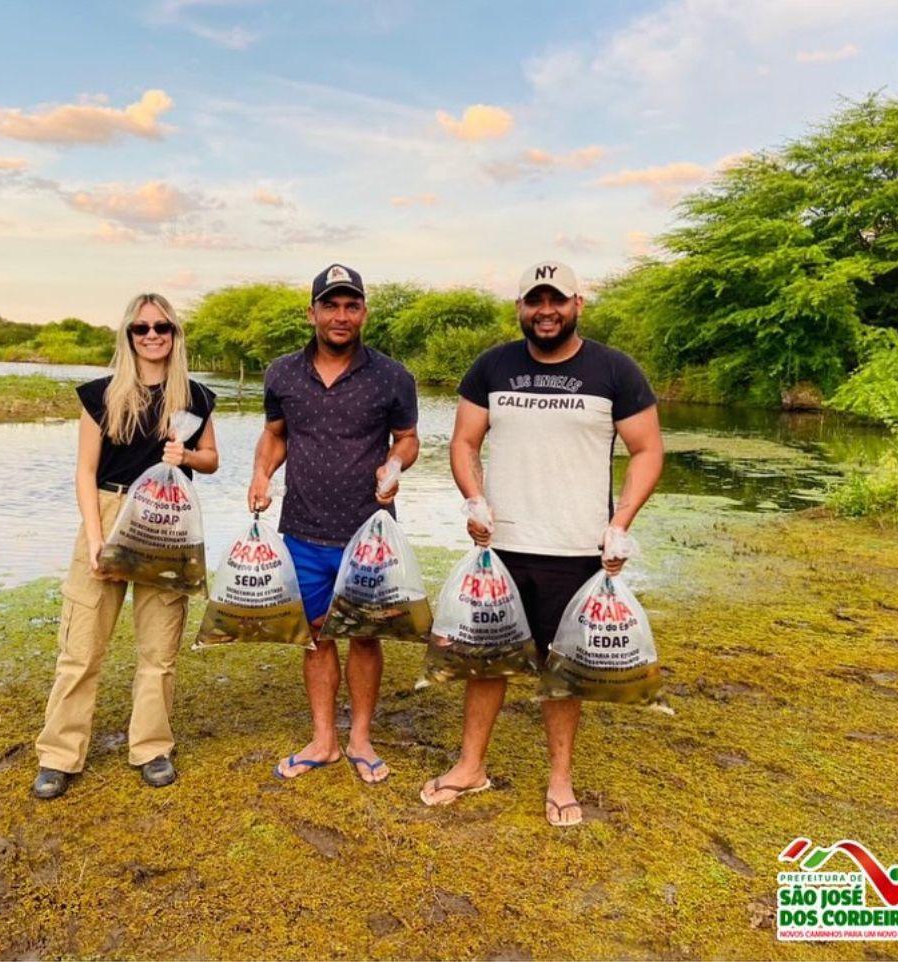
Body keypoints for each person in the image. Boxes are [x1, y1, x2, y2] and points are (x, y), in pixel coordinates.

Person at [422, 260, 664, 823]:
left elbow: (648, 450)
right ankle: (470, 766)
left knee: (563, 669)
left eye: (557, 300)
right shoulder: (492, 367)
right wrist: (473, 498)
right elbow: (464, 441)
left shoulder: (614, 370)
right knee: (487, 662)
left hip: (579, 549)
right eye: (535, 301)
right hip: (499, 549)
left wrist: (620, 523)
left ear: (578, 304)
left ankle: (559, 780)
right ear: (520, 309)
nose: (546, 311)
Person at [33, 293, 218, 798]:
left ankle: (151, 747)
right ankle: (59, 754)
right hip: (111, 513)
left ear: (175, 335)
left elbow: (212, 460)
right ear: (128, 335)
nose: (153, 335)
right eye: (142, 328)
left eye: (163, 327)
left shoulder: (196, 398)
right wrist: (95, 538)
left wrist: (187, 457)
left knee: (159, 649)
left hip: (168, 522)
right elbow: (85, 471)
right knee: (82, 645)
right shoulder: (101, 394)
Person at [248, 264, 419, 784]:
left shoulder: (393, 376)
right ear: (313, 312)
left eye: (351, 306)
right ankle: (323, 739)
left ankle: (360, 737)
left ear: (363, 312)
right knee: (316, 635)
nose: (341, 316)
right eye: (331, 305)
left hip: (369, 534)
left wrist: (394, 466)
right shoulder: (281, 373)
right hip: (301, 528)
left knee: (366, 636)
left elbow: (407, 439)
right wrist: (260, 473)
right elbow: (275, 434)